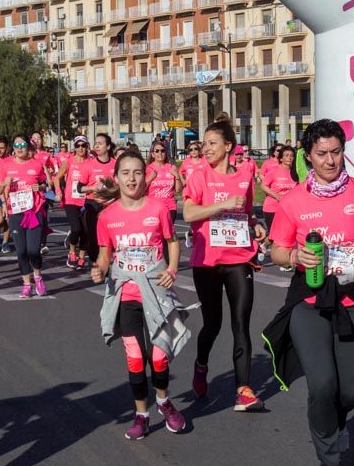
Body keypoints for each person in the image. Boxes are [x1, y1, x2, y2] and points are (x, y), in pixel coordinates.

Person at [263, 118, 354, 466]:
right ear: (308, 156)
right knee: (322, 384)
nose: (331, 160)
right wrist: (295, 256)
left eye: (336, 152)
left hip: (353, 300)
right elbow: (277, 251)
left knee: (349, 391)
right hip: (309, 301)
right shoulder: (294, 201)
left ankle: (336, 424)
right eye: (322, 154)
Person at [90, 150, 188, 440]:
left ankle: (163, 400)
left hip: (156, 292)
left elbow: (172, 241)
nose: (132, 178)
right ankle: (141, 414)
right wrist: (99, 268)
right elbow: (105, 253)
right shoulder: (107, 216)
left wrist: (171, 269)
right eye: (126, 173)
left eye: (137, 172)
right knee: (135, 357)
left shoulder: (158, 209)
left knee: (158, 358)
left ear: (145, 176)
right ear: (116, 178)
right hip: (127, 293)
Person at [182, 114, 266, 411]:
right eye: (204, 144)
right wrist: (220, 205)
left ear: (229, 146)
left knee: (240, 322)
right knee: (213, 324)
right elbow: (189, 214)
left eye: (212, 143)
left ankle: (243, 389)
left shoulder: (244, 176)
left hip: (239, 258)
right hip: (207, 260)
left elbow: (246, 211)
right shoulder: (199, 176)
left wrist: (255, 223)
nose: (205, 148)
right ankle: (201, 364)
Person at [0, 135, 54, 297]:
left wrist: (40, 187)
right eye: (16, 145)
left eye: (22, 145)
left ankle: (38, 276)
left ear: (28, 147)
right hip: (16, 212)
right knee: (21, 251)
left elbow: (48, 185)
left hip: (34, 211)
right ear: (12, 148)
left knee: (33, 250)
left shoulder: (36, 164)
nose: (19, 148)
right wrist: (5, 185)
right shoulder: (6, 165)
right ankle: (27, 284)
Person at [54, 135, 92, 269]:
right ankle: (71, 252)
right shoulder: (70, 161)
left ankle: (81, 257)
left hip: (86, 200)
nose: (81, 148)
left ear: (87, 147)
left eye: (83, 145)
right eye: (78, 146)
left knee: (86, 231)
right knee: (76, 228)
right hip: (71, 199)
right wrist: (58, 192)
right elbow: (57, 178)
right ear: (74, 148)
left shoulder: (91, 162)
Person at [258, 146, 297, 272]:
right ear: (280, 158)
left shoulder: (294, 173)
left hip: (288, 209)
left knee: (287, 234)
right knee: (278, 235)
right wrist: (276, 196)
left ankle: (263, 245)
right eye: (286, 155)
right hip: (272, 207)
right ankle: (283, 261)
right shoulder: (274, 171)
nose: (289, 158)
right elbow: (263, 186)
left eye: (291, 155)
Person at [81, 133, 118, 264]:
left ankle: (108, 262)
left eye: (100, 143)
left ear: (108, 147)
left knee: (110, 235)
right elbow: (80, 188)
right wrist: (92, 188)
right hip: (93, 204)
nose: (96, 146)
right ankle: (94, 260)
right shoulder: (88, 164)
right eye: (95, 143)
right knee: (93, 237)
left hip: (111, 205)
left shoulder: (116, 164)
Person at [145, 139, 182, 230]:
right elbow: (141, 188)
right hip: (153, 207)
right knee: (156, 234)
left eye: (163, 150)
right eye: (157, 151)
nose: (160, 153)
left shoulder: (171, 167)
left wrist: (177, 175)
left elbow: (178, 190)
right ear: (153, 154)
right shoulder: (148, 169)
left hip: (170, 206)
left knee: (168, 234)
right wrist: (150, 178)